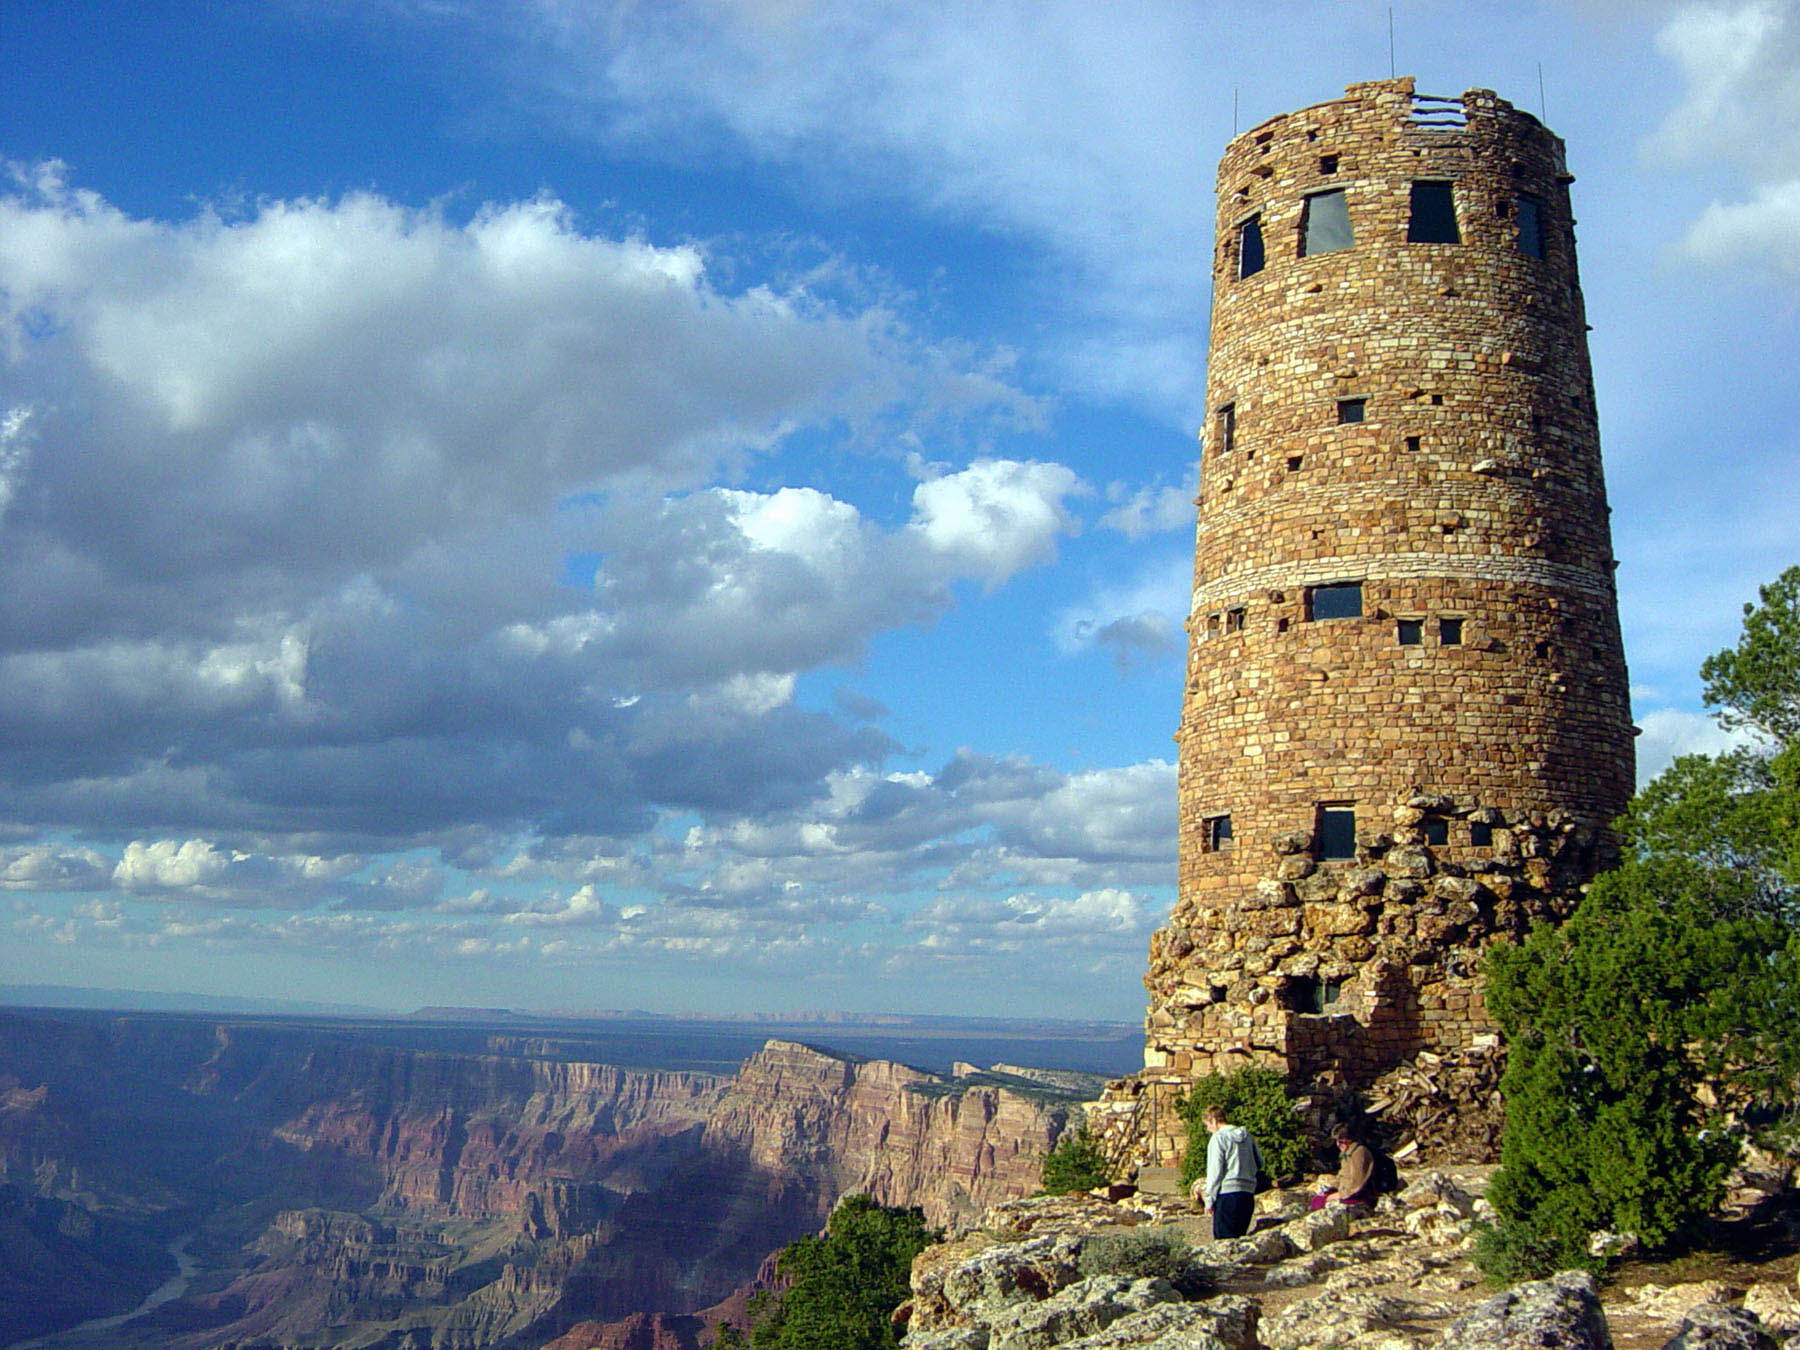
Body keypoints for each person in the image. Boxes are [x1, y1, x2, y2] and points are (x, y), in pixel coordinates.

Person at [1192, 1104, 1261, 1239]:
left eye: (1207, 1125)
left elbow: (1215, 1171)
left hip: (1227, 1194)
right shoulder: (1247, 1136)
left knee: (1224, 1242)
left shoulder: (1218, 1138)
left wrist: (1209, 1199)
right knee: (1240, 1240)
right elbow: (1260, 1162)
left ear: (1214, 1120)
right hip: (1247, 1193)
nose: (1208, 1129)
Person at [1310, 1124, 1377, 1211]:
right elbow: (1343, 1176)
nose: (1338, 1144)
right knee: (1317, 1199)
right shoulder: (1346, 1153)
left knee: (1320, 1203)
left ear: (1350, 1139)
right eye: (1337, 1141)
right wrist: (1331, 1187)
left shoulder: (1359, 1153)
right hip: (1347, 1191)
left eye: (1341, 1141)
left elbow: (1357, 1183)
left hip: (1359, 1195)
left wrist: (1337, 1195)